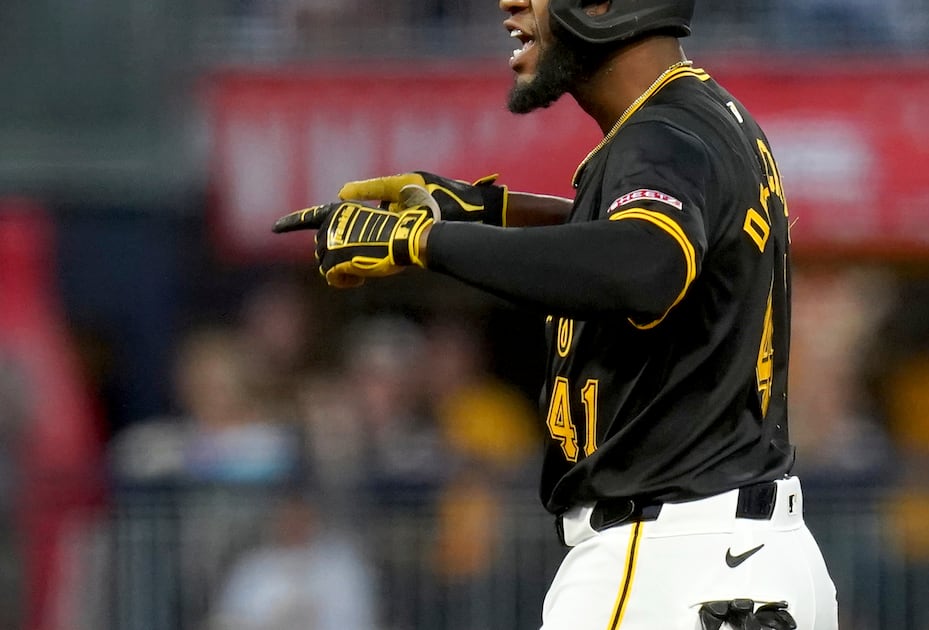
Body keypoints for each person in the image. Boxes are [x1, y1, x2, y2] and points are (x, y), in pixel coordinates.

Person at [272, 1, 839, 628]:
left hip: (668, 556)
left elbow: (645, 265)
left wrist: (426, 242)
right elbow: (647, 242)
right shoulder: (705, 117)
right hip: (744, 554)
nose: (511, 3)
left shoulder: (659, 133)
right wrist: (492, 214)